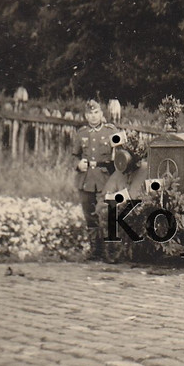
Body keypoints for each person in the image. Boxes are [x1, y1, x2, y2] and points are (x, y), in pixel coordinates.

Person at [72, 99, 118, 259]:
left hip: (105, 180)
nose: (93, 116)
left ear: (101, 114)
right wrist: (78, 164)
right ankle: (95, 251)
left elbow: (122, 154)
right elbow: (74, 155)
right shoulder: (81, 133)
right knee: (90, 216)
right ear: (86, 115)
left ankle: (111, 253)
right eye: (90, 113)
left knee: (106, 215)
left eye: (96, 112)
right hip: (85, 180)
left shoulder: (111, 131)